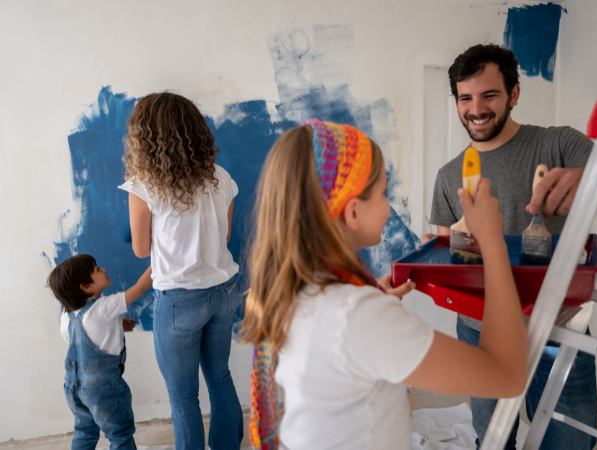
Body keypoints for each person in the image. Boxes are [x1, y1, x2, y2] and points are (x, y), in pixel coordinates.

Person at [242, 120, 527, 450]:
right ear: (352, 212)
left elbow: (344, 339)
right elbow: (506, 375)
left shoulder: (298, 290)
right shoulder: (356, 315)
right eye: (382, 194)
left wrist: (372, 301)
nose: (388, 205)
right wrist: (492, 241)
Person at [430, 44, 597, 450]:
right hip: (480, 332)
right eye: (465, 98)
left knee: (568, 441)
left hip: (560, 328)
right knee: (493, 439)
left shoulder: (559, 145)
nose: (476, 109)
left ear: (514, 94)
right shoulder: (449, 175)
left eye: (489, 95)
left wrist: (592, 180)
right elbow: (445, 251)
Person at [120, 92, 243, 449]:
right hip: (223, 291)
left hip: (178, 300)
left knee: (184, 397)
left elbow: (142, 249)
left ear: (146, 136)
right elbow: (228, 235)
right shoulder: (221, 176)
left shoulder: (144, 186)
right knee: (220, 377)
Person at [47, 254, 152, 450]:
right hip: (104, 390)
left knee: (84, 432)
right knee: (120, 434)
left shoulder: (66, 317)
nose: (103, 269)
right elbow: (140, 287)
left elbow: (84, 338)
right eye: (96, 269)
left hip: (73, 388)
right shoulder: (104, 306)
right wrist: (160, 260)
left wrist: (117, 325)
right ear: (86, 287)